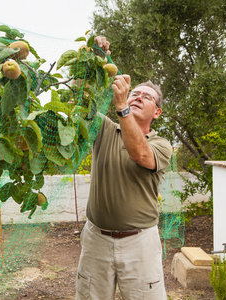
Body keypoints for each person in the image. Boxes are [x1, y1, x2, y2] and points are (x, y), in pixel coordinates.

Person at [75, 36, 173, 300]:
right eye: (135, 94)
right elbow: (80, 101)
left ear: (157, 112)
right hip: (96, 239)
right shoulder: (105, 129)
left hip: (139, 242)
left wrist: (122, 107)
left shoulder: (161, 144)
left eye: (147, 97)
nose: (139, 97)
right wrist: (93, 58)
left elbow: (140, 154)